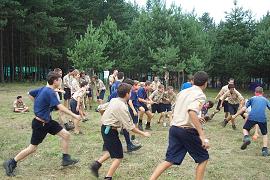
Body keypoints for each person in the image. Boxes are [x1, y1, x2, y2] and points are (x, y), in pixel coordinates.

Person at [3, 71, 81, 177]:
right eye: (60, 80)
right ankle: (11, 162)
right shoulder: (49, 92)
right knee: (32, 148)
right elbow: (59, 106)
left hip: (48, 121)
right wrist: (75, 115)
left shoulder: (43, 89)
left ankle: (65, 159)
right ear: (55, 81)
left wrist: (39, 104)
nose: (61, 82)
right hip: (40, 124)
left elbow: (30, 93)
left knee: (66, 135)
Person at [150, 71, 210, 180]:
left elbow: (180, 109)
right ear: (205, 83)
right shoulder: (200, 95)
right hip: (186, 131)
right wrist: (202, 135)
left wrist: (197, 118)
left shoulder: (183, 92)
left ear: (193, 81)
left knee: (170, 159)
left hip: (174, 129)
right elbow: (191, 111)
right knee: (203, 158)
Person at [89, 83, 150, 179]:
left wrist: (105, 118)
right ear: (127, 94)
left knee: (111, 150)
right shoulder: (122, 107)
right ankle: (108, 177)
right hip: (109, 131)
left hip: (106, 129)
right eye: (130, 92)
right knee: (118, 157)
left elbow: (100, 108)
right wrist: (143, 133)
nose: (131, 94)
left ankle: (95, 165)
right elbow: (131, 127)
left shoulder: (114, 100)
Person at [231, 87, 270, 156]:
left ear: (255, 92)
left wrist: (235, 115)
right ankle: (265, 150)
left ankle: (246, 138)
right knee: (265, 134)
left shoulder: (252, 98)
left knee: (245, 128)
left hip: (252, 117)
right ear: (262, 93)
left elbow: (244, 108)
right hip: (262, 118)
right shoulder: (266, 100)